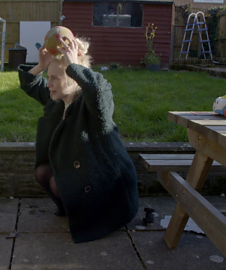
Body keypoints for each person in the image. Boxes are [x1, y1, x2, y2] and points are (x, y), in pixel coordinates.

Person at [18, 31, 139, 243]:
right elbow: (30, 84)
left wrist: (74, 64)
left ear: (75, 79)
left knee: (58, 183)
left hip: (109, 184)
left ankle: (94, 217)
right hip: (85, 172)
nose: (49, 84)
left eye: (55, 78)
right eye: (49, 78)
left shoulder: (91, 105)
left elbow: (98, 92)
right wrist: (43, 66)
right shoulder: (57, 100)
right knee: (42, 172)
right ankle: (75, 210)